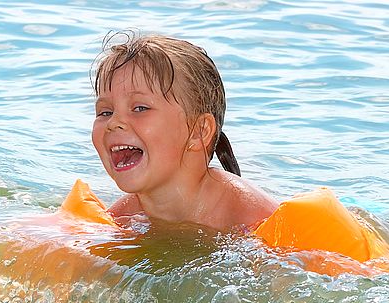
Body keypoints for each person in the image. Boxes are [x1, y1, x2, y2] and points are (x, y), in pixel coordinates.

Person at [90, 30, 278, 233]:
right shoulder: (121, 219)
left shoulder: (251, 215)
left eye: (140, 108)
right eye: (105, 112)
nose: (114, 122)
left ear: (199, 131)